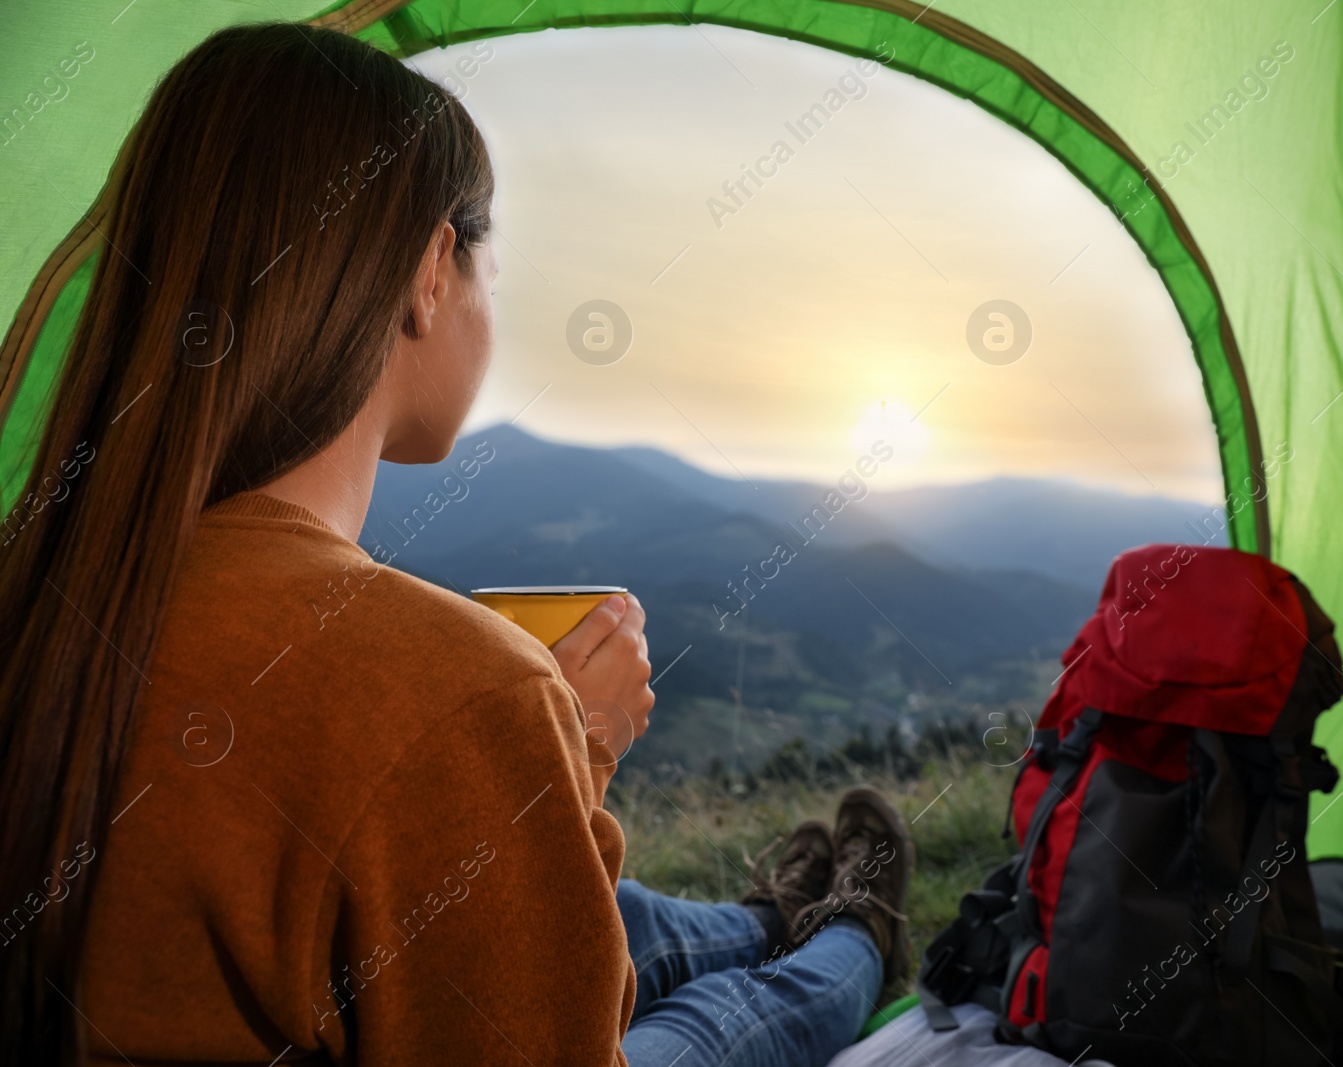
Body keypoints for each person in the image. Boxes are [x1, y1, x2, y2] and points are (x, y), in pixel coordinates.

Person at [0, 22, 909, 1067]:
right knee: (700, 1033)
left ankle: (763, 916)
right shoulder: (457, 689)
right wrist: (572, 757)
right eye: (484, 253)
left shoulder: (43, 595)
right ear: (432, 270)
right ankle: (850, 930)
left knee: (640, 920)